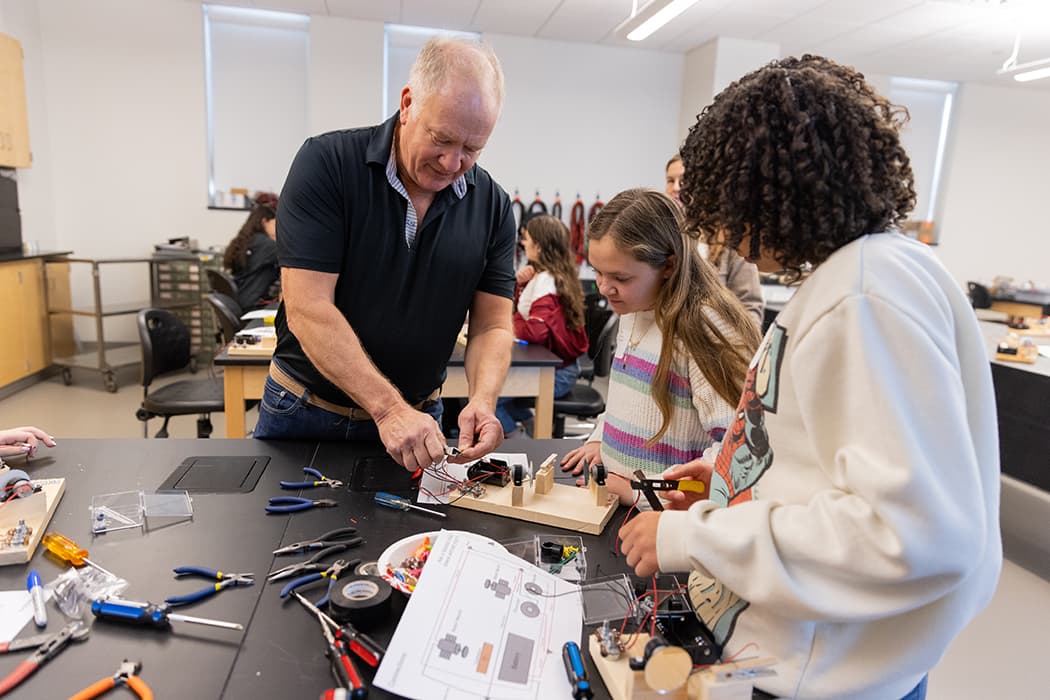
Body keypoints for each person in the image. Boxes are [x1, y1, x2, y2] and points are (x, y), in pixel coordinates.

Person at [619, 56, 1001, 700]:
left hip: (825, 675)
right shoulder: (867, 275)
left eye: (727, 208)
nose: (725, 236)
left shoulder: (864, 296)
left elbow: (908, 534)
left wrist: (694, 536)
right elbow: (825, 456)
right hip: (806, 656)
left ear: (769, 193)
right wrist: (731, 477)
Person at [254, 36, 516, 474]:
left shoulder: (493, 205)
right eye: (442, 139)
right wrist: (388, 410)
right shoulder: (327, 164)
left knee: (417, 543)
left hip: (418, 428)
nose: (453, 163)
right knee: (282, 541)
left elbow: (492, 324)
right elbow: (308, 308)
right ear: (408, 103)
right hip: (306, 413)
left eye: (472, 149)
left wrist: (483, 401)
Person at [560, 189, 760, 503]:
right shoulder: (635, 306)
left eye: (620, 277)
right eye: (598, 272)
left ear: (668, 266)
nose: (604, 287)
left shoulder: (704, 328)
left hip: (664, 521)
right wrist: (602, 439)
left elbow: (734, 453)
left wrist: (639, 493)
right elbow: (627, 401)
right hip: (619, 502)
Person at [496, 215, 589, 437]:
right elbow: (529, 314)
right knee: (503, 399)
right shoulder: (548, 276)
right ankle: (531, 429)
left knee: (488, 398)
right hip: (562, 368)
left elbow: (535, 331)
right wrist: (521, 285)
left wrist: (502, 321)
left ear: (538, 244)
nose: (523, 243)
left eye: (526, 239)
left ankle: (522, 445)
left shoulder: (547, 281)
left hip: (557, 375)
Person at [666, 154, 764, 328]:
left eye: (683, 180)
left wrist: (735, 347)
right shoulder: (661, 236)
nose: (676, 188)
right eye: (670, 180)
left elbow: (750, 308)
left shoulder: (732, 237)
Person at [223, 192, 280, 310]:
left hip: (242, 301)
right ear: (265, 222)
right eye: (275, 223)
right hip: (254, 305)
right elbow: (293, 257)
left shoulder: (248, 241)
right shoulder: (266, 245)